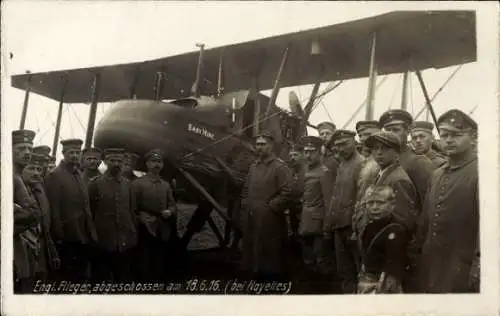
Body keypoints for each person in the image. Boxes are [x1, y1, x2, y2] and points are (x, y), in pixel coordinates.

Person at [416, 110, 479, 293]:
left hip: (462, 266)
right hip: (432, 263)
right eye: (445, 135)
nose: (449, 140)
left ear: (473, 137)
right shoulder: (436, 174)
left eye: (456, 135)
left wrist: (479, 264)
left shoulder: (481, 172)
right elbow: (425, 221)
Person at [240, 132, 293, 280]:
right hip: (251, 215)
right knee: (252, 247)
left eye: (263, 144)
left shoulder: (280, 167)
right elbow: (245, 188)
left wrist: (271, 208)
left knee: (269, 251)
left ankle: (270, 280)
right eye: (257, 144)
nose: (259, 147)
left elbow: (288, 191)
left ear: (271, 146)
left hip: (270, 218)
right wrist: (245, 204)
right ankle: (253, 275)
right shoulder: (254, 166)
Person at [44, 138, 97, 282]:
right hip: (66, 235)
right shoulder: (55, 176)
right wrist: (59, 235)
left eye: (77, 152)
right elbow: (53, 208)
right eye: (71, 152)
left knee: (80, 274)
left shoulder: (78, 174)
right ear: (63, 153)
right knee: (66, 276)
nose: (75, 155)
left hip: (82, 233)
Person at [323, 130, 366, 293]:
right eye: (338, 145)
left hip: (353, 228)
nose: (341, 149)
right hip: (339, 226)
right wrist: (330, 225)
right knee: (344, 271)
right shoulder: (342, 165)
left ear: (354, 143)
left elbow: (362, 199)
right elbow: (335, 197)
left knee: (358, 270)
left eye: (345, 144)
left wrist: (357, 228)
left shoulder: (362, 164)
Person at [88, 148, 138, 282]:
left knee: (122, 278)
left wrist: (132, 234)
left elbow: (132, 211)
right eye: (112, 160)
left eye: (119, 161)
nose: (116, 164)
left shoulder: (128, 185)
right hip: (103, 241)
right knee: (100, 278)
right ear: (105, 161)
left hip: (125, 241)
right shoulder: (95, 185)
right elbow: (90, 213)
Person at [133, 149, 178, 282]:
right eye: (153, 161)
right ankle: (143, 282)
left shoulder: (166, 185)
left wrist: (169, 211)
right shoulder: (138, 183)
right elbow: (132, 206)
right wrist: (141, 218)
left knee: (159, 254)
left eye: (159, 162)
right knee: (143, 255)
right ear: (147, 164)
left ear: (162, 165)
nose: (156, 164)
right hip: (144, 224)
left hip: (162, 224)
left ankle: (157, 281)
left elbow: (173, 205)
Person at [379, 110, 436, 212]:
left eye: (396, 130)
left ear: (408, 131)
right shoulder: (382, 159)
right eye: (388, 130)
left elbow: (429, 204)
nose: (391, 134)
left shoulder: (419, 162)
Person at [297, 136, 335, 289]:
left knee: (321, 258)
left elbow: (328, 202)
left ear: (320, 152)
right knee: (307, 257)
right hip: (306, 222)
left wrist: (327, 228)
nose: (308, 155)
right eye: (305, 152)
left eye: (312, 152)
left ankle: (323, 289)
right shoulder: (305, 170)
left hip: (318, 225)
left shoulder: (324, 172)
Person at [356, 185, 408, 294]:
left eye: (380, 203)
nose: (374, 207)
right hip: (366, 283)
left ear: (392, 205)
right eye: (370, 203)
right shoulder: (368, 226)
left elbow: (394, 265)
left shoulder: (396, 230)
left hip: (383, 287)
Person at [22, 153, 60, 281]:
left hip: (41, 248)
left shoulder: (40, 191)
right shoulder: (15, 192)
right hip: (23, 250)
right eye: (31, 168)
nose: (36, 173)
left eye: (39, 169)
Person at [12, 130, 41, 293]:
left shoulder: (18, 177)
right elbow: (31, 214)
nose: (27, 153)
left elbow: (33, 214)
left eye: (30, 148)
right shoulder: (10, 176)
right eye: (21, 148)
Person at [286, 143, 305, 243]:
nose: (292, 158)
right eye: (291, 155)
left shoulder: (307, 170)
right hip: (292, 208)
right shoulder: (290, 170)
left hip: (304, 209)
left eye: (295, 155)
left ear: (302, 155)